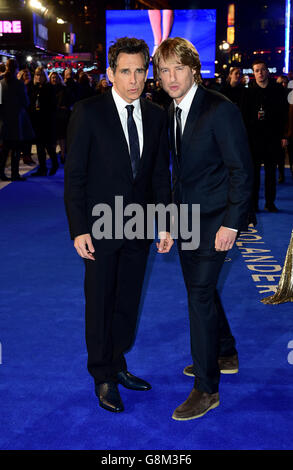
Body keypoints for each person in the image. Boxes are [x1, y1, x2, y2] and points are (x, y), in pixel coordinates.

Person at [64, 37, 173, 414]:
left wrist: (164, 223)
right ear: (111, 73)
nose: (133, 80)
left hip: (140, 227)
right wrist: (79, 228)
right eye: (125, 71)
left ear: (148, 72)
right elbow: (75, 176)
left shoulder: (157, 116)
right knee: (99, 302)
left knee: (127, 302)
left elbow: (159, 175)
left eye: (140, 70)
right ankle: (102, 375)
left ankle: (118, 361)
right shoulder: (88, 111)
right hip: (99, 228)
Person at [153, 37, 253, 421]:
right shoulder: (171, 110)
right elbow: (180, 176)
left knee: (198, 294)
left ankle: (207, 387)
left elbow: (241, 171)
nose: (171, 77)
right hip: (188, 219)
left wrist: (232, 222)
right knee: (204, 291)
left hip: (216, 221)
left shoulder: (219, 109)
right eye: (164, 70)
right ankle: (224, 351)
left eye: (178, 68)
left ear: (194, 69)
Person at [243, 60, 288, 211]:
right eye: (257, 70)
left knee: (271, 173)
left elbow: (283, 114)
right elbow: (244, 116)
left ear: (267, 71)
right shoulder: (248, 91)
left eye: (262, 70)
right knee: (254, 174)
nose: (260, 73)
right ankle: (254, 204)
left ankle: (270, 203)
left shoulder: (277, 89)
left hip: (273, 138)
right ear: (253, 73)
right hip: (254, 139)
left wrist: (284, 136)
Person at [0, 59, 34, 182]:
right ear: (17, 68)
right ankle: (15, 173)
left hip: (4, 120)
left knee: (4, 150)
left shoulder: (1, 83)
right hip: (17, 120)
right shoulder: (19, 84)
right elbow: (26, 102)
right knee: (16, 149)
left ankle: (1, 173)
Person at [28, 66, 59, 176]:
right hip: (37, 121)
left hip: (47, 121)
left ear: (44, 76)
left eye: (40, 75)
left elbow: (52, 106)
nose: (38, 77)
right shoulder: (33, 87)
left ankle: (54, 164)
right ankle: (42, 168)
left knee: (48, 146)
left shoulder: (48, 88)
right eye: (36, 75)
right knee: (40, 146)